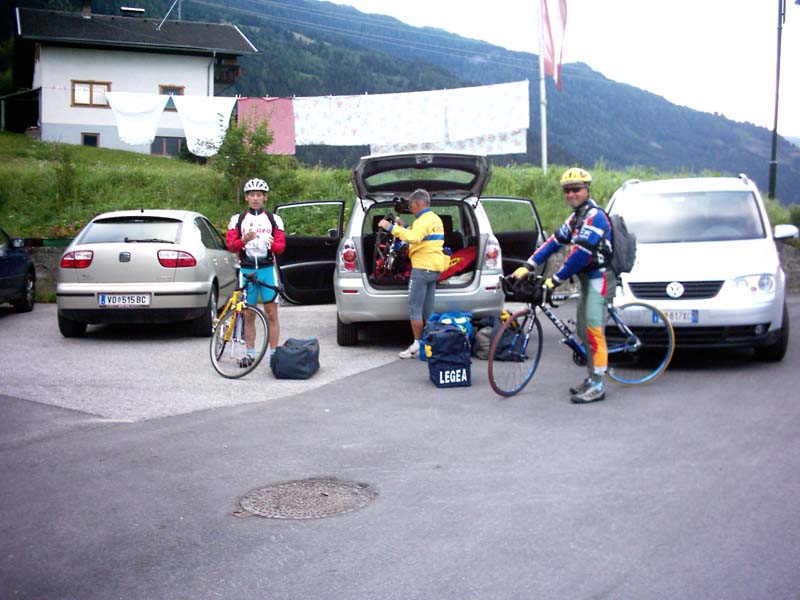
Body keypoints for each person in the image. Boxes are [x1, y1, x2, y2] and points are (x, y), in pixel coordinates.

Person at [511, 168, 616, 404]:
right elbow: (554, 242)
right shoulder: (576, 217)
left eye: (576, 189)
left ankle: (598, 385)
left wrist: (554, 280)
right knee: (582, 331)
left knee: (592, 331)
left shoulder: (595, 216)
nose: (571, 194)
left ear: (587, 190)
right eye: (567, 191)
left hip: (600, 278)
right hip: (586, 279)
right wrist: (528, 265)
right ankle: (592, 377)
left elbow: (580, 254)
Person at [378, 188, 449, 359]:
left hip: (421, 269)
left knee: (415, 308)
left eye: (411, 205)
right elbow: (422, 236)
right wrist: (405, 226)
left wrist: (391, 227)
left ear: (418, 204)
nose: (410, 208)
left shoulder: (423, 221)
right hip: (434, 269)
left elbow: (415, 238)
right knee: (428, 309)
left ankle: (417, 344)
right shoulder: (435, 219)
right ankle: (431, 343)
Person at [226, 177, 286, 367]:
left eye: (259, 195)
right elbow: (230, 245)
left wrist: (272, 244)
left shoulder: (274, 219)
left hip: (267, 269)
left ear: (265, 197)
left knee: (271, 314)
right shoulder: (238, 219)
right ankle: (250, 353)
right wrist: (243, 241)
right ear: (246, 198)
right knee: (249, 315)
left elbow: (281, 247)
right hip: (247, 269)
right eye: (252, 195)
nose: (255, 199)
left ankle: (274, 354)